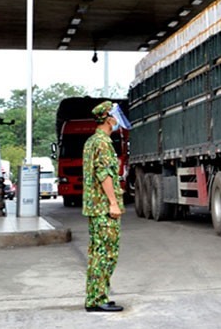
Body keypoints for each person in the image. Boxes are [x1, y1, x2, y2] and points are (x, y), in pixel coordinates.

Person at [83, 100, 130, 313]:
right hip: (103, 208)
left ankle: (96, 297)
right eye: (114, 114)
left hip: (95, 208)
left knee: (97, 253)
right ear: (108, 119)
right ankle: (98, 298)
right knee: (106, 253)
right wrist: (113, 202)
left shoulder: (92, 141)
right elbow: (104, 174)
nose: (117, 118)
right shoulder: (102, 143)